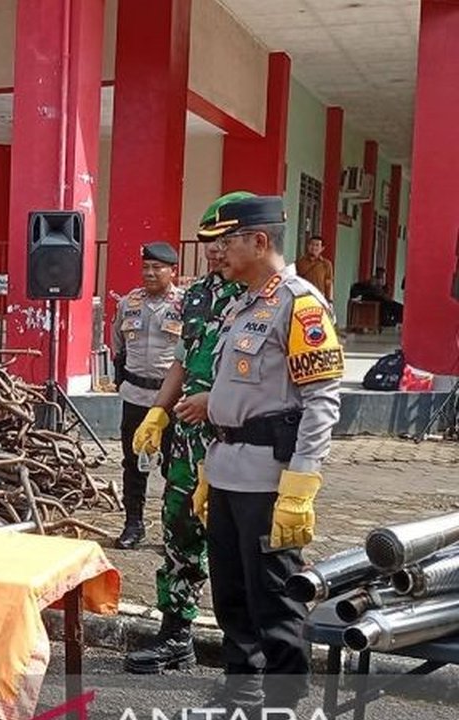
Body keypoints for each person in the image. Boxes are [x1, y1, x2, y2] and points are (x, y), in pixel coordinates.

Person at [196, 194, 343, 710]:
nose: (217, 254)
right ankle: (242, 689)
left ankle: (282, 701)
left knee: (275, 600)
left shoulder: (299, 303)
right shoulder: (243, 303)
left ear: (260, 242)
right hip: (229, 468)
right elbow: (245, 390)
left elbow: (321, 400)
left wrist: (301, 485)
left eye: (226, 242)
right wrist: (208, 469)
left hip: (269, 478)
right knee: (231, 595)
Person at [124, 193, 250, 674]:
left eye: (222, 241)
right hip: (187, 438)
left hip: (237, 442)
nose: (214, 251)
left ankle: (248, 659)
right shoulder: (200, 294)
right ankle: (176, 633)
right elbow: (182, 357)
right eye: (207, 242)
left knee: (236, 549)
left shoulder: (264, 295)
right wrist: (159, 412)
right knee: (179, 530)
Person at [111, 241, 184, 549]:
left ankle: (174, 527)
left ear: (173, 271)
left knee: (174, 467)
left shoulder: (185, 305)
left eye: (157, 268)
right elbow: (117, 343)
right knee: (133, 463)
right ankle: (133, 524)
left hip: (173, 402)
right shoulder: (129, 303)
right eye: (146, 268)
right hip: (135, 397)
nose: (150, 273)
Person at [294, 236, 333, 301]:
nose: (314, 247)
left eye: (317, 245)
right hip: (302, 297)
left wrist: (329, 300)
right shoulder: (299, 262)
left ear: (322, 248)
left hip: (318, 298)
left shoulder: (326, 264)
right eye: (311, 244)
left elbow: (328, 283)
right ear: (308, 246)